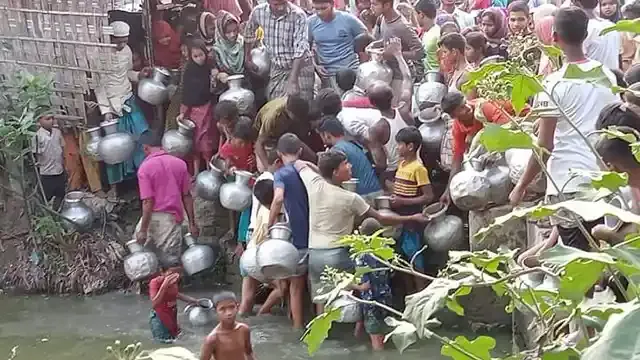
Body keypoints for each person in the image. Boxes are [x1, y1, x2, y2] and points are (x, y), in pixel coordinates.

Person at [509, 7, 619, 252]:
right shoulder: (607, 76)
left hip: (567, 184)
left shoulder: (552, 85)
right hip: (603, 180)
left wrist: (521, 186)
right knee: (602, 256)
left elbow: (544, 146)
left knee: (576, 258)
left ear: (554, 37)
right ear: (586, 32)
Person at [293, 150, 430, 312]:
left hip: (315, 254)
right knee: (357, 296)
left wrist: (321, 174)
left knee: (322, 300)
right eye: (345, 164)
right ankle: (361, 330)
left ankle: (323, 335)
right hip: (338, 254)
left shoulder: (314, 183)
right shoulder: (351, 198)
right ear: (335, 172)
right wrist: (412, 218)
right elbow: (381, 218)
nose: (350, 166)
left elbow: (298, 163)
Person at [95, 21, 150, 196]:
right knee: (114, 148)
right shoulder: (99, 54)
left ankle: (143, 182)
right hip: (112, 105)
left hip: (128, 98)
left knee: (140, 137)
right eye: (118, 41)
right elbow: (99, 85)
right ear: (109, 38)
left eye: (124, 41)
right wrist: (106, 111)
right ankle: (114, 190)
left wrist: (139, 75)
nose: (121, 45)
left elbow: (127, 74)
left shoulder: (126, 51)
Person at [135, 132, 198, 268]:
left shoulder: (144, 168)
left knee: (143, 258)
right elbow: (187, 196)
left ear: (146, 148)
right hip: (172, 219)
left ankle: (153, 287)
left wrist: (143, 229)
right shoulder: (180, 164)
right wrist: (192, 223)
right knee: (171, 260)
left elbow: (148, 202)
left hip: (152, 217)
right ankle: (171, 286)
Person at [267, 134, 311, 329]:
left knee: (296, 286)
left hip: (297, 237)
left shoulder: (282, 174)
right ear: (300, 151)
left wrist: (270, 223)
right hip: (317, 233)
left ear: (279, 153)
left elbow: (278, 199)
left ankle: (298, 327)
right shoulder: (308, 169)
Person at [439, 90, 511, 204]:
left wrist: (494, 151)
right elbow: (457, 158)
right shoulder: (457, 127)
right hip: (498, 138)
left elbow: (508, 126)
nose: (468, 107)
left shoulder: (483, 107)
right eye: (461, 108)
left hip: (520, 122)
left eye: (466, 103)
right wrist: (448, 190)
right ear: (453, 116)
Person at [244, 0, 315, 101]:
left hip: (300, 67)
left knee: (300, 105)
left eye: (283, 4)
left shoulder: (298, 15)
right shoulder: (258, 12)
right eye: (276, 5)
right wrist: (248, 57)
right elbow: (248, 33)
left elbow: (301, 49)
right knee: (276, 106)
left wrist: (293, 80)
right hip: (278, 67)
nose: (280, 8)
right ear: (268, 2)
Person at [238, 178, 289, 316]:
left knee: (246, 301)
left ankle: (243, 320)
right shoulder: (277, 214)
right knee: (282, 288)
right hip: (260, 260)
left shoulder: (261, 209)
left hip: (247, 257)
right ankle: (262, 313)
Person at [389, 127, 433, 290]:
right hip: (400, 217)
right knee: (402, 258)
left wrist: (403, 201)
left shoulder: (418, 168)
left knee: (415, 258)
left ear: (410, 146)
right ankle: (409, 292)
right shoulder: (402, 165)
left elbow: (428, 196)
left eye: (400, 144)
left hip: (412, 220)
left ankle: (420, 291)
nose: (397, 147)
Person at [368, 38, 415, 182]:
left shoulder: (377, 129)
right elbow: (407, 77)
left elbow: (380, 163)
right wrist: (398, 54)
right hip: (415, 167)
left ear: (372, 105)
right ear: (392, 96)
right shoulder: (404, 110)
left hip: (396, 175)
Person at [317, 115, 383, 201]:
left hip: (364, 196)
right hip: (377, 191)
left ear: (326, 135)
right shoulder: (353, 145)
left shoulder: (336, 151)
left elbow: (334, 177)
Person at [180, 39, 219, 177]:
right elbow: (185, 93)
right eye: (195, 56)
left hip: (207, 109)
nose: (199, 59)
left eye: (201, 55)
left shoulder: (210, 68)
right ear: (191, 57)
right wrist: (183, 113)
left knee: (207, 142)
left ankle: (209, 172)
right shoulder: (189, 71)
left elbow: (214, 89)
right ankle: (196, 173)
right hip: (193, 113)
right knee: (195, 144)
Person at [308, 0, 367, 90]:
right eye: (316, 9)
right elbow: (305, 49)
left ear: (332, 4)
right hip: (328, 74)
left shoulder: (348, 19)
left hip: (350, 72)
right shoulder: (311, 22)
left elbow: (366, 37)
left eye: (323, 8)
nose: (319, 12)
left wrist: (363, 63)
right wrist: (316, 66)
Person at [253, 96, 318, 172]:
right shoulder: (272, 118)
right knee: (263, 170)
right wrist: (268, 167)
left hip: (285, 131)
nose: (298, 119)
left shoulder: (298, 108)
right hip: (267, 138)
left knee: (304, 151)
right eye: (296, 117)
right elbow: (259, 144)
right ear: (288, 111)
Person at [372, 0, 426, 83]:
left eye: (375, 4)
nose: (371, 7)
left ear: (387, 5)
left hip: (401, 77)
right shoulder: (383, 18)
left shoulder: (402, 26)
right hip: (388, 73)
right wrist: (374, 45)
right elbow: (389, 39)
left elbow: (420, 52)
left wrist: (396, 54)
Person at [149, 262, 198, 343]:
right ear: (162, 272)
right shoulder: (155, 282)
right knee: (164, 344)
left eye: (178, 273)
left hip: (172, 316)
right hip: (160, 318)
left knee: (177, 340)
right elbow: (154, 303)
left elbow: (175, 294)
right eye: (171, 273)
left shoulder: (174, 281)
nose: (176, 277)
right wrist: (164, 285)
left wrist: (194, 301)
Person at [200, 291, 255, 360]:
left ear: (237, 307)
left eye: (232, 307)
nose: (229, 313)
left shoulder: (244, 329)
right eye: (222, 309)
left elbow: (249, 353)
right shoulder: (212, 339)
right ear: (215, 312)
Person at [573, 0, 621, 71]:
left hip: (593, 78)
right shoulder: (612, 27)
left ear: (576, 4)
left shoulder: (584, 28)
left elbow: (578, 61)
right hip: (613, 78)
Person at [32, 115, 65, 208]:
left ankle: (58, 213)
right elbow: (35, 154)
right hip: (47, 173)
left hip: (59, 170)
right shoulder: (37, 136)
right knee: (46, 197)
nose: (51, 121)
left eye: (52, 118)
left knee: (61, 195)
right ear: (40, 120)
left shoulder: (57, 132)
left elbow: (62, 147)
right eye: (47, 119)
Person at [213, 11, 246, 77]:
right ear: (221, 32)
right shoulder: (217, 50)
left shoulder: (243, 43)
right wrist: (219, 75)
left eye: (235, 30)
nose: (232, 35)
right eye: (228, 32)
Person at [415, 0, 441, 72]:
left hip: (434, 77)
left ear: (421, 15)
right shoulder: (428, 32)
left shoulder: (435, 36)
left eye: (415, 14)